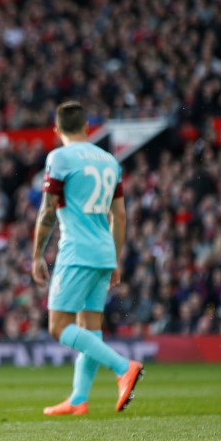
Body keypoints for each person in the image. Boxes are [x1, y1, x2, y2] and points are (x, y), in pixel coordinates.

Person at [31, 101, 144, 416]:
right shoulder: (110, 160)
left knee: (58, 326)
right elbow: (119, 216)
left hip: (76, 251)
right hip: (104, 251)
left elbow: (48, 210)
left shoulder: (60, 157)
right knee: (90, 327)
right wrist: (116, 258)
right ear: (86, 127)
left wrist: (37, 255)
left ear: (57, 130)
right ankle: (79, 398)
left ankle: (123, 367)